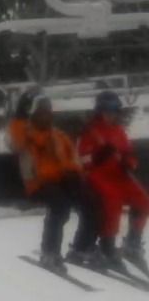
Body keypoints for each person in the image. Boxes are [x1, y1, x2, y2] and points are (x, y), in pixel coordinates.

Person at [9, 93, 97, 271]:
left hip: (62, 180)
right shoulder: (26, 134)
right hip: (38, 183)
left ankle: (81, 247)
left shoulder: (58, 136)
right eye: (41, 113)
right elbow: (15, 142)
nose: (45, 116)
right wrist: (18, 117)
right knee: (60, 205)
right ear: (34, 115)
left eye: (48, 112)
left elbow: (73, 157)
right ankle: (49, 251)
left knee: (90, 201)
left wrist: (73, 174)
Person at [79, 90, 148, 268]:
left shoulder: (119, 131)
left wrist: (128, 163)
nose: (111, 115)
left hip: (119, 174)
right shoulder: (91, 132)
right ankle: (107, 244)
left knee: (143, 199)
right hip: (98, 175)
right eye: (107, 111)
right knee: (112, 201)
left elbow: (129, 153)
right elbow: (82, 159)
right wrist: (98, 156)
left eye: (114, 111)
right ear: (99, 112)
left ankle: (133, 241)